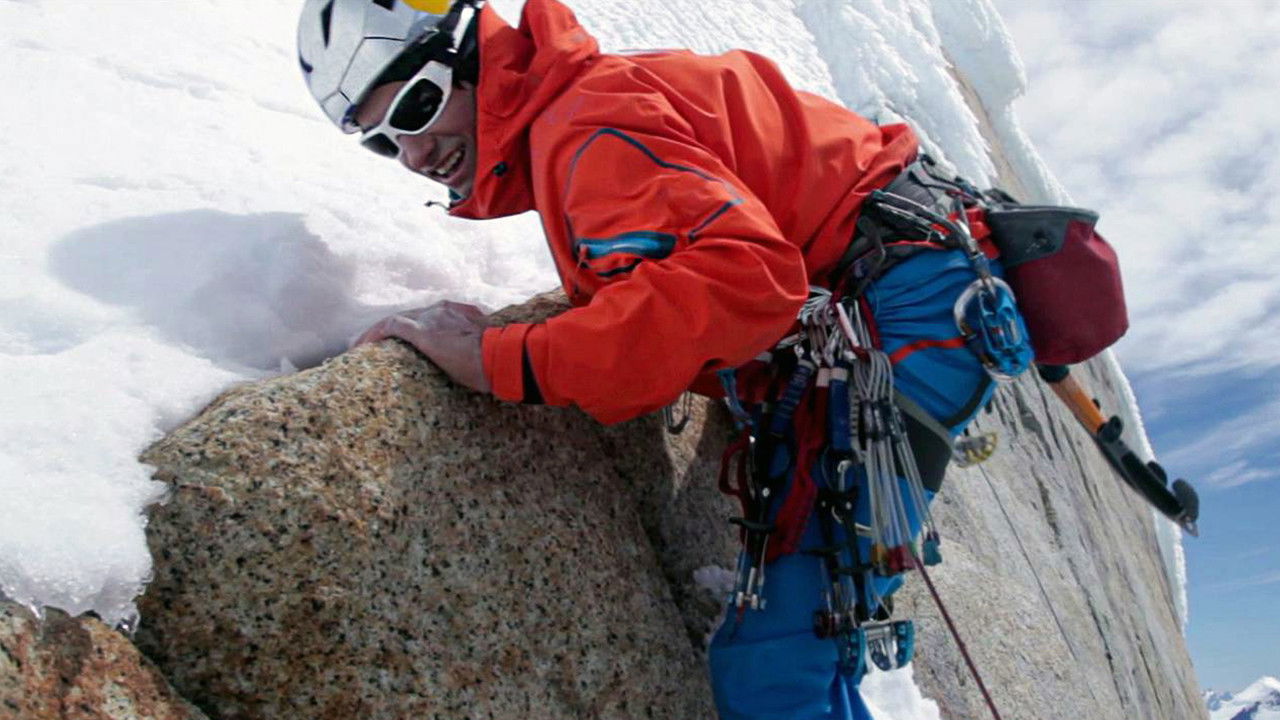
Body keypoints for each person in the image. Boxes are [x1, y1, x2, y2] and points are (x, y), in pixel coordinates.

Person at [298, 1, 1027, 718]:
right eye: (383, 141)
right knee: (806, 633)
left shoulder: (586, 126)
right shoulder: (575, 116)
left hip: (907, 306)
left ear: (472, 57)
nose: (414, 154)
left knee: (771, 672)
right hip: (905, 284)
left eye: (418, 107)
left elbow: (739, 280)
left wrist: (500, 359)